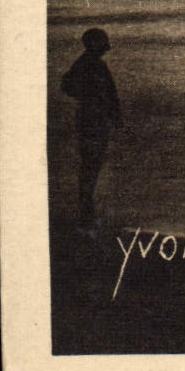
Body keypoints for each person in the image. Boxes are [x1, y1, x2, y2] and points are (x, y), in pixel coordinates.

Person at [61, 27, 121, 230]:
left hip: (92, 119)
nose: (106, 47)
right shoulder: (91, 65)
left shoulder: (88, 64)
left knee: (91, 164)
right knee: (91, 164)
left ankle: (86, 208)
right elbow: (110, 95)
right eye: (103, 43)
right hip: (93, 121)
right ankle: (86, 210)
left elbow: (68, 86)